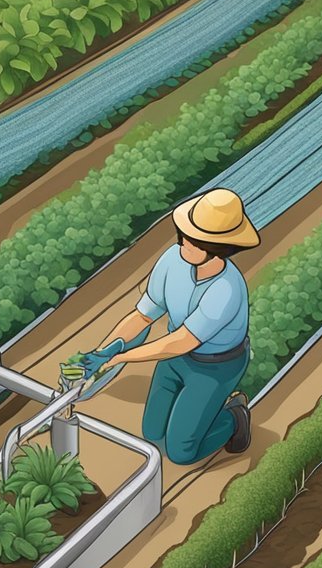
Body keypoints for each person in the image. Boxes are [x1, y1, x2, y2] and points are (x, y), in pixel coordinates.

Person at [78, 189, 260, 465]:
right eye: (184, 235)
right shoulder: (172, 261)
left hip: (215, 368)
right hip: (176, 360)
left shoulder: (227, 288)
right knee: (151, 435)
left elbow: (183, 340)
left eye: (195, 241)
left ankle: (235, 418)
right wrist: (107, 348)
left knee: (181, 452)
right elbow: (143, 316)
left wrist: (122, 357)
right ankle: (197, 416)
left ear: (218, 249)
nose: (184, 243)